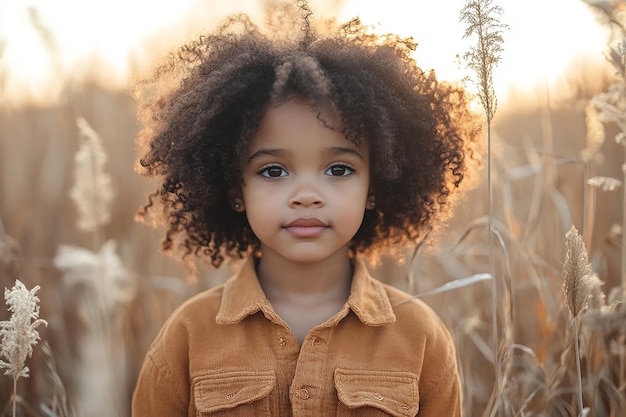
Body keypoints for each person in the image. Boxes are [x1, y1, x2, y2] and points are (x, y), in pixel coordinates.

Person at [131, 1, 480, 415]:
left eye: (338, 168)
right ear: (233, 189)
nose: (307, 194)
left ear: (376, 183)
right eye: (274, 170)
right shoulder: (190, 333)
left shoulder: (419, 335)